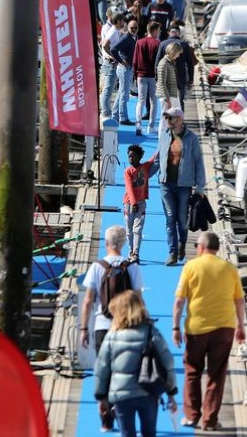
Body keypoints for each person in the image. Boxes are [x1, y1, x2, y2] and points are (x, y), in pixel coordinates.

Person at [172, 231, 246, 431]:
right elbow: (239, 300)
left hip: (197, 328)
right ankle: (210, 421)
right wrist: (241, 326)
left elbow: (179, 301)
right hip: (224, 329)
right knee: (216, 374)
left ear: (202, 247)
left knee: (192, 371)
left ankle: (191, 416)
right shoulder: (229, 268)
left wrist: (176, 327)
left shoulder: (191, 267)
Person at [82, 226, 147, 432]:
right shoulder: (132, 267)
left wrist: (84, 327)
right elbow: (138, 299)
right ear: (124, 244)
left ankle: (105, 418)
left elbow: (88, 301)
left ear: (106, 243)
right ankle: (123, 415)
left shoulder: (97, 267)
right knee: (125, 372)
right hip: (126, 326)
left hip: (103, 326)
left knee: (104, 372)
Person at [94, 290, 178, 437]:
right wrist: (171, 392)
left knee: (127, 433)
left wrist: (101, 396)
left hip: (120, 394)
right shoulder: (152, 332)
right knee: (149, 432)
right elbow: (168, 363)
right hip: (149, 391)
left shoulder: (112, 336)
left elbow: (102, 369)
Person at [157, 106, 205, 266]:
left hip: (184, 185)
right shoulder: (164, 136)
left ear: (179, 119)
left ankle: (182, 244)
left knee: (182, 219)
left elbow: (198, 162)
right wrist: (142, 174)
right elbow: (158, 159)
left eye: (170, 118)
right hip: (165, 183)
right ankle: (172, 252)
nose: (167, 121)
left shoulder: (191, 138)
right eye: (166, 118)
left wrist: (200, 188)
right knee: (170, 218)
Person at [123, 144, 159, 261]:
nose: (131, 158)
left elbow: (154, 157)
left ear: (139, 157)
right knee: (129, 231)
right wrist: (133, 203)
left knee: (137, 229)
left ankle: (136, 253)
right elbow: (129, 188)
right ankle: (130, 251)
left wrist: (163, 145)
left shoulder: (145, 167)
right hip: (129, 205)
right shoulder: (128, 171)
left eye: (133, 156)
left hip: (141, 204)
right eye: (129, 156)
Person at [133, 22, 163, 135]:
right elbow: (159, 62)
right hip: (152, 76)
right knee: (153, 101)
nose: (159, 32)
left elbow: (135, 60)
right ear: (154, 30)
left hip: (141, 75)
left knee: (140, 100)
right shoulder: (157, 43)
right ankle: (151, 126)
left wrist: (135, 75)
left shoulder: (139, 42)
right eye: (158, 30)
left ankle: (138, 124)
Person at [155, 27, 197, 107]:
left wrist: (157, 78)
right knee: (179, 102)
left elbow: (157, 62)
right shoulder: (184, 45)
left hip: (166, 77)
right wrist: (191, 79)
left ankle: (170, 118)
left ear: (168, 32)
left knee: (166, 104)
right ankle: (180, 119)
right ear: (179, 33)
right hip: (180, 77)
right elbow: (190, 64)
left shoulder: (162, 44)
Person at [109, 20, 138, 125]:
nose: (134, 30)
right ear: (128, 28)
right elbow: (113, 49)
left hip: (127, 69)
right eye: (132, 28)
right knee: (124, 95)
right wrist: (121, 61)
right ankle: (123, 117)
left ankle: (115, 115)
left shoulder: (133, 38)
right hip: (124, 69)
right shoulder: (126, 38)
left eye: (135, 28)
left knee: (121, 93)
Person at [98, 13, 123, 120]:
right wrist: (111, 56)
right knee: (107, 91)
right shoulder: (113, 32)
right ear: (118, 21)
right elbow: (104, 44)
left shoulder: (114, 31)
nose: (123, 22)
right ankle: (105, 113)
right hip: (110, 64)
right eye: (122, 20)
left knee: (108, 90)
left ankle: (106, 111)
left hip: (110, 63)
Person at [156, 42, 182, 119]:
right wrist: (167, 99)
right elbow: (161, 83)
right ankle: (162, 131)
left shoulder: (170, 62)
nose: (179, 55)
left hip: (172, 94)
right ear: (173, 52)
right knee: (165, 118)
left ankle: (172, 131)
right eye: (178, 53)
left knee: (176, 115)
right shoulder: (164, 63)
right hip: (167, 95)